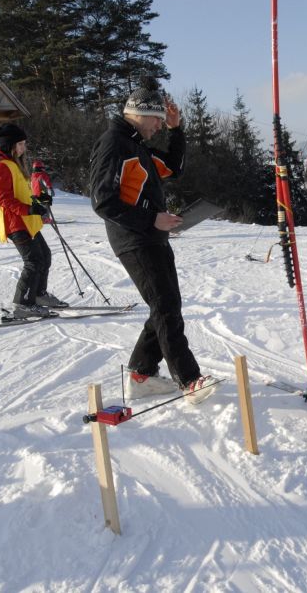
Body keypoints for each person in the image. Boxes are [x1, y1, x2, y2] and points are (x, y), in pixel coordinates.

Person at [89, 78, 216, 402]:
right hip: (134, 238)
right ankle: (189, 379)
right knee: (165, 306)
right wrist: (151, 218)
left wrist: (177, 129)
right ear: (139, 113)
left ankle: (141, 374)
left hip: (151, 235)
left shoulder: (136, 146)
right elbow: (103, 201)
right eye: (157, 119)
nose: (159, 125)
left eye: (162, 120)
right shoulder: (114, 143)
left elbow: (173, 168)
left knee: (166, 305)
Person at [0, 123, 68, 318]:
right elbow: (4, 199)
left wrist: (39, 201)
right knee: (33, 261)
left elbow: (22, 192)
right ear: (10, 145)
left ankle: (38, 295)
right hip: (16, 223)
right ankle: (23, 304)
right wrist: (29, 209)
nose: (24, 148)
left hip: (27, 222)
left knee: (44, 256)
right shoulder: (1, 167)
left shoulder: (13, 163)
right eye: (20, 144)